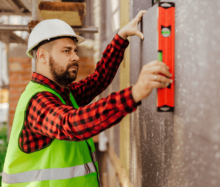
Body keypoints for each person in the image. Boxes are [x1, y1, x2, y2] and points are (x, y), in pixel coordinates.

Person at [2, 11, 173, 187]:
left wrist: (121, 37)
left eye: (75, 51)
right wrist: (135, 93)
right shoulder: (37, 101)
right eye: (66, 51)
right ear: (42, 56)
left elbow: (97, 81)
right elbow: (70, 124)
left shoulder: (62, 94)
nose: (76, 57)